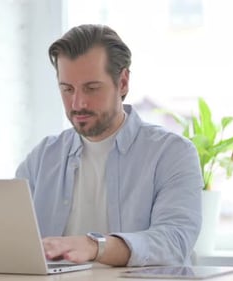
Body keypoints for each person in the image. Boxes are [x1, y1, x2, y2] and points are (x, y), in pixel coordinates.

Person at [15, 24, 203, 267]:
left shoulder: (171, 153)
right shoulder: (42, 158)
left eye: (91, 88)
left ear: (122, 82)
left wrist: (95, 246)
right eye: (67, 89)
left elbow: (174, 241)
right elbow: (12, 240)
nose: (77, 103)